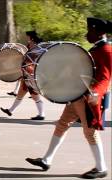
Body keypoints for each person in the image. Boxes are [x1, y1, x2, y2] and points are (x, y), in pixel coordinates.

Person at [25, 17, 111, 179]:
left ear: (99, 33)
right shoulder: (96, 48)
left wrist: (96, 93)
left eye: (90, 31)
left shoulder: (106, 50)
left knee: (90, 132)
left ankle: (101, 168)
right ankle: (46, 159)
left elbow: (105, 78)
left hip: (88, 98)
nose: (87, 34)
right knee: (62, 124)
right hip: (77, 95)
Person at [0, 30, 45, 120]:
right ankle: (10, 110)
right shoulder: (31, 45)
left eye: (27, 36)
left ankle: (41, 114)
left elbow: (32, 58)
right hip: (27, 73)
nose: (26, 38)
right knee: (21, 93)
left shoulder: (37, 47)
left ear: (31, 37)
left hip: (32, 74)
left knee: (34, 94)